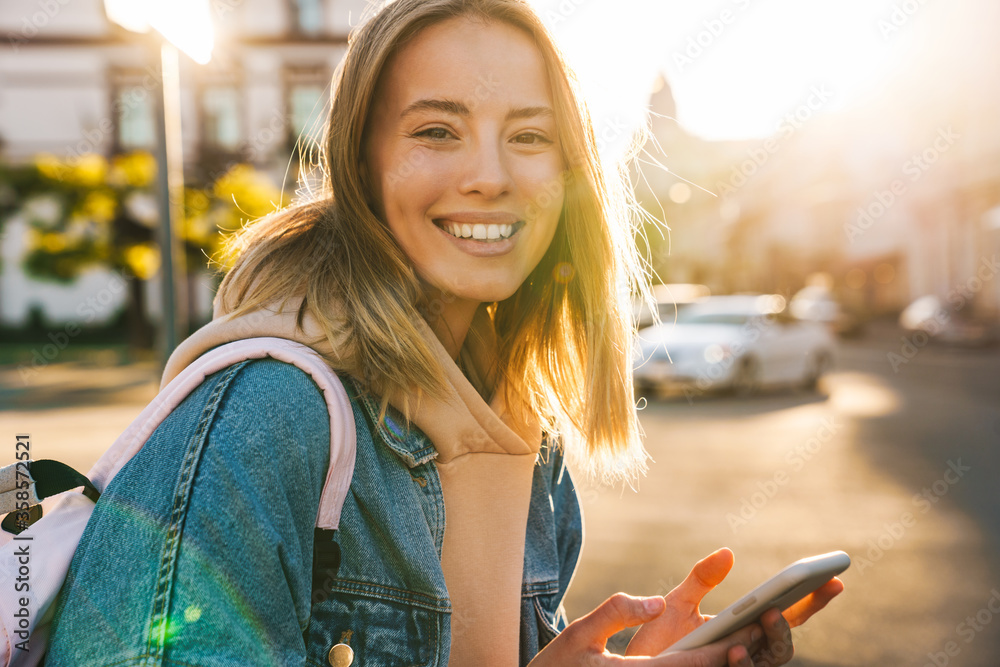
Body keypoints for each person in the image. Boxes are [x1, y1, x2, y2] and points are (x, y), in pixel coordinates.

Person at [46, 0, 843, 665]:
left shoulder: (531, 439)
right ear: (362, 165)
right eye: (436, 131)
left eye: (530, 136)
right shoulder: (268, 418)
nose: (491, 175)